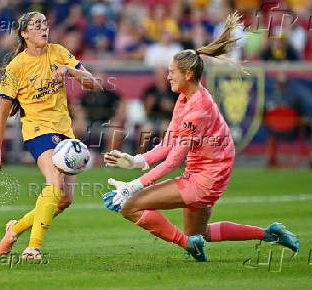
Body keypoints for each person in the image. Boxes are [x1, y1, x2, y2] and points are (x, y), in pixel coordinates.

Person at [102, 13, 299, 262]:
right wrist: (136, 160)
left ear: (188, 74)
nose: (167, 76)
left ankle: (189, 246)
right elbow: (168, 143)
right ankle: (269, 234)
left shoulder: (197, 110)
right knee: (201, 232)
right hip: (207, 170)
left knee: (131, 206)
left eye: (172, 72)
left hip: (206, 176)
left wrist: (134, 186)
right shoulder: (186, 98)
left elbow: (173, 160)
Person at [0, 11, 101, 260]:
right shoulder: (16, 66)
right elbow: (2, 113)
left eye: (45, 24)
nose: (43, 28)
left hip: (65, 133)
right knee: (54, 184)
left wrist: (69, 71)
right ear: (24, 34)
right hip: (38, 131)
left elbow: (94, 83)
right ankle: (33, 247)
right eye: (36, 25)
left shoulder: (59, 52)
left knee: (64, 200)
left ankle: (14, 229)